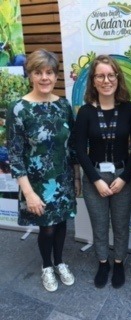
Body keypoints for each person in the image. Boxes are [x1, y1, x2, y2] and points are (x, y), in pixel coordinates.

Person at [6, 49, 81, 292]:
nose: (45, 78)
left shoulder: (63, 105)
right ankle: (47, 266)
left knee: (61, 225)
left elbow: (72, 146)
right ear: (31, 75)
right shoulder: (18, 108)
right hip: (36, 183)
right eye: (38, 72)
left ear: (56, 75)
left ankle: (60, 262)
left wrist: (76, 177)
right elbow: (15, 154)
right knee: (47, 227)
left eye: (49, 72)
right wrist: (28, 193)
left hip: (63, 178)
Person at [74, 54, 131, 289]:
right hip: (95, 178)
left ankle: (119, 263)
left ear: (118, 78)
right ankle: (103, 263)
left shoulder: (130, 110)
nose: (106, 80)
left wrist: (124, 177)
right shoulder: (85, 112)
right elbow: (80, 149)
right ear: (93, 81)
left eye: (111, 75)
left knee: (121, 225)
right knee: (100, 225)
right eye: (100, 75)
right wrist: (95, 180)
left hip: (124, 177)